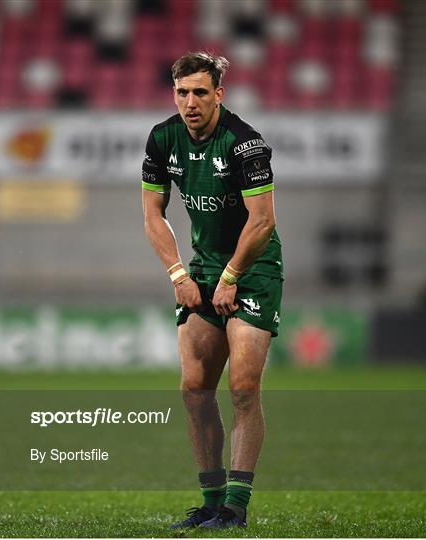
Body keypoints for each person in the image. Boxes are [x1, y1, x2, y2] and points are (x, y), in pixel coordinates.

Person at [142, 52, 283, 529]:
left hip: (254, 268)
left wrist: (231, 277)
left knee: (243, 389)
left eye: (200, 92)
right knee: (193, 391)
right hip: (202, 269)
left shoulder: (245, 145)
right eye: (182, 92)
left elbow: (263, 222)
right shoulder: (163, 138)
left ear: (219, 94)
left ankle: (235, 508)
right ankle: (210, 502)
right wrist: (180, 275)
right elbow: (152, 215)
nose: (190, 102)